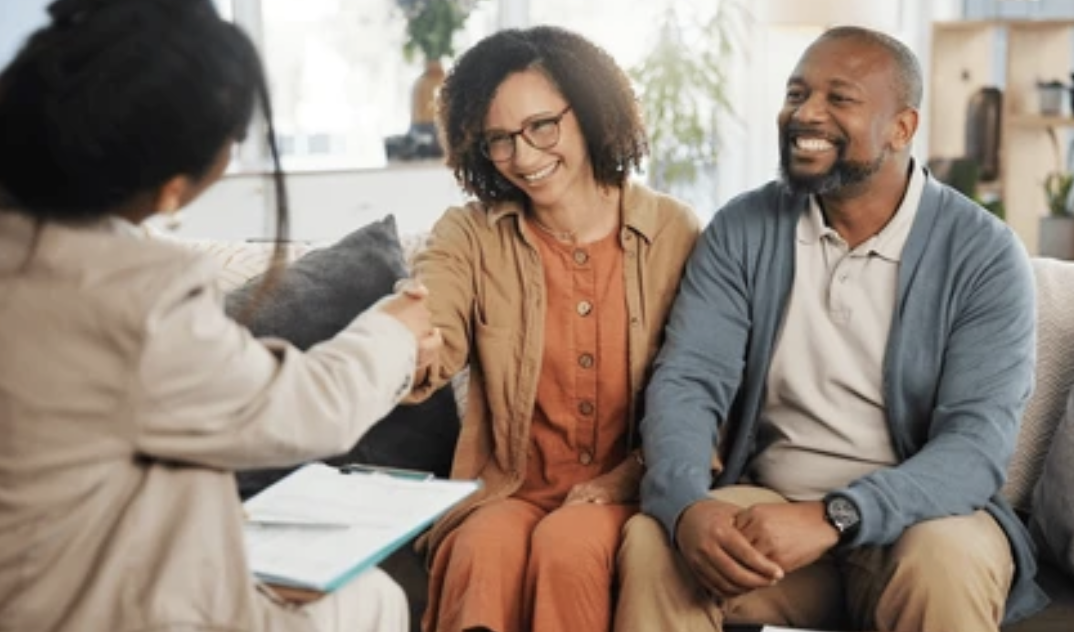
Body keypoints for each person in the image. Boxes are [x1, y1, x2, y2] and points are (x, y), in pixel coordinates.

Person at [0, 1, 437, 631]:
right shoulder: (133, 302)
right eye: (229, 142)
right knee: (372, 601)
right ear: (174, 186)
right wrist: (396, 329)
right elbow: (309, 408)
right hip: (104, 606)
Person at [615, 25, 1049, 632]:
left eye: (838, 98)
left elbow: (974, 448)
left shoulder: (983, 254)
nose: (805, 114)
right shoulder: (743, 228)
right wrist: (686, 506)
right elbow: (688, 380)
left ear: (902, 128)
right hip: (770, 508)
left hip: (920, 522)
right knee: (654, 541)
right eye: (797, 94)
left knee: (944, 560)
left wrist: (834, 515)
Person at [404, 25, 700, 632]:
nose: (525, 156)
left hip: (632, 485)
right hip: (508, 488)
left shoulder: (675, 231)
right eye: (499, 140)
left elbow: (711, 384)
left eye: (543, 126)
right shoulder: (470, 235)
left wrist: (630, 476)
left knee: (569, 546)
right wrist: (408, 339)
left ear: (590, 112)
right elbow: (436, 316)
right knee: (479, 549)